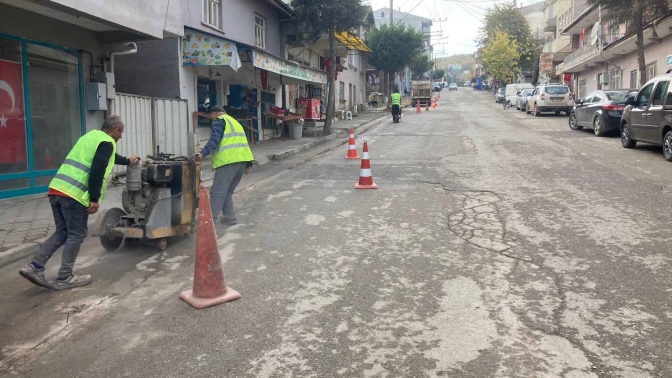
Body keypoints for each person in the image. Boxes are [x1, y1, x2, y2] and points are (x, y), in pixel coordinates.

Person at [19, 116, 140, 291]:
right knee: (76, 234)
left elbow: (108, 158)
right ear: (116, 130)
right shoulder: (107, 142)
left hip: (57, 189)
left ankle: (34, 266)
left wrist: (128, 161)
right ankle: (65, 277)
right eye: (121, 132)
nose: (121, 136)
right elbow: (97, 170)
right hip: (74, 194)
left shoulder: (90, 137)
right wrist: (94, 198)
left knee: (62, 232)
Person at [195, 106, 254, 226]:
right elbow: (243, 142)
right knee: (227, 192)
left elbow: (214, 139)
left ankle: (208, 223)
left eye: (211, 117)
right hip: (242, 161)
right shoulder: (234, 122)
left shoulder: (219, 121)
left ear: (215, 114)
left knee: (217, 192)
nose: (212, 119)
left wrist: (203, 154)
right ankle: (230, 218)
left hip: (228, 161)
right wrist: (248, 165)